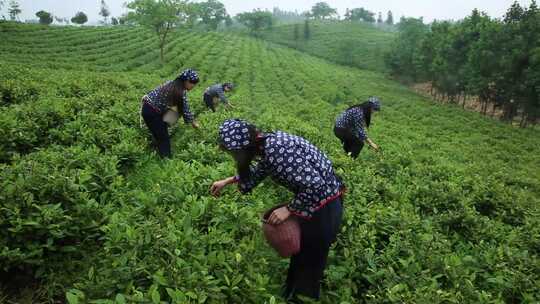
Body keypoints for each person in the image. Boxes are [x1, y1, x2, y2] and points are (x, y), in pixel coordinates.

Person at [210, 119, 344, 302]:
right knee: (301, 254)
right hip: (315, 203)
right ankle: (290, 292)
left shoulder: (277, 150)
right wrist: (229, 181)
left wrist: (289, 209)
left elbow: (316, 186)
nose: (234, 157)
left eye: (233, 153)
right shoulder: (267, 145)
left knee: (310, 263)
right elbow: (260, 170)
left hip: (325, 206)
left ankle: (302, 297)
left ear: (244, 148)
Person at [140, 69, 200, 158]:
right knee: (164, 138)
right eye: (193, 83)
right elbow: (185, 110)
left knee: (163, 129)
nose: (193, 86)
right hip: (152, 112)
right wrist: (193, 123)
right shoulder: (180, 92)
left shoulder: (171, 83)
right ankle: (166, 160)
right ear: (186, 81)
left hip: (149, 109)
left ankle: (156, 145)